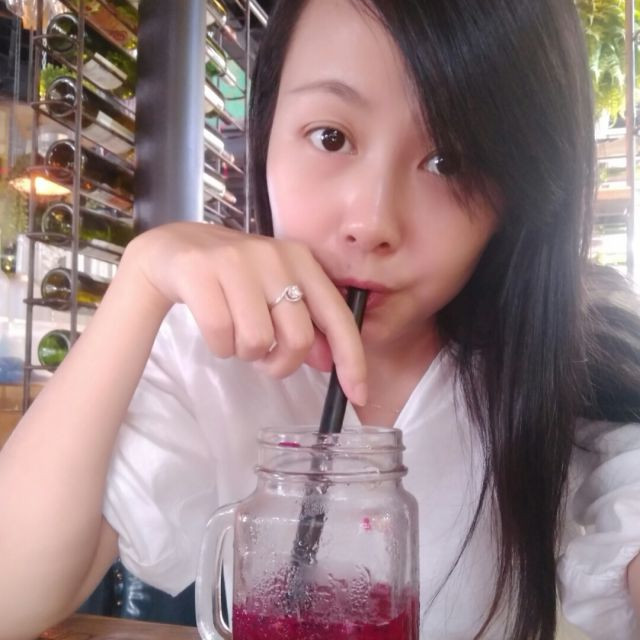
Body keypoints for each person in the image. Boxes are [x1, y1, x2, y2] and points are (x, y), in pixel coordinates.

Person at [1, 0, 639, 638]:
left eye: (449, 161)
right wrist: (138, 284)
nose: (372, 222)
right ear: (268, 128)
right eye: (331, 137)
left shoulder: (582, 352)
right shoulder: (211, 350)